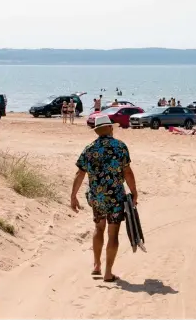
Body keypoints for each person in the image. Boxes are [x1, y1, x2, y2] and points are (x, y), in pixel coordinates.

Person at [70, 115, 138, 282]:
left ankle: (96, 265)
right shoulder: (120, 147)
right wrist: (134, 191)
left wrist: (73, 196)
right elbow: (127, 172)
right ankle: (108, 272)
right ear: (109, 128)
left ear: (97, 131)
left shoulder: (90, 148)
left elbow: (80, 173)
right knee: (113, 234)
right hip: (115, 196)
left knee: (98, 229)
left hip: (97, 196)